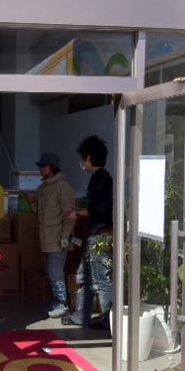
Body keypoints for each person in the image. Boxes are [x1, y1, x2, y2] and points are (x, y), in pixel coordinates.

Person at [61, 135, 113, 328]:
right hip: (95, 234)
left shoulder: (103, 179)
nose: (81, 162)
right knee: (85, 277)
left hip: (99, 236)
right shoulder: (99, 178)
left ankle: (109, 321)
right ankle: (83, 316)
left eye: (82, 157)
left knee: (100, 279)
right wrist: (77, 211)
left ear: (89, 158)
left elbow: (99, 208)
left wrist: (78, 213)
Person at [33, 152, 76, 318]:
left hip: (58, 238)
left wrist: (65, 237)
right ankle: (57, 301)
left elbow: (69, 216)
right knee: (50, 272)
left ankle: (62, 304)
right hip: (46, 238)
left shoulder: (63, 187)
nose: (40, 169)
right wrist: (31, 201)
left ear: (52, 167)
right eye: (40, 166)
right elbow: (39, 213)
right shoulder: (43, 188)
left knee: (56, 272)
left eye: (43, 166)